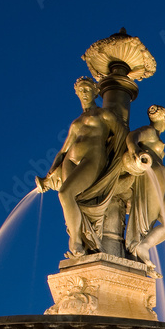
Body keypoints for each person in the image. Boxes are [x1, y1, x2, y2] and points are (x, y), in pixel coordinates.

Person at [37, 77, 127, 257]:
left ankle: (76, 241)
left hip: (93, 158)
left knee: (65, 193)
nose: (84, 93)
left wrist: (121, 162)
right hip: (70, 161)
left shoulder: (104, 114)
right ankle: (86, 243)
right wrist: (49, 175)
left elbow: (122, 135)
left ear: (95, 91)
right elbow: (63, 151)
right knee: (73, 201)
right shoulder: (76, 122)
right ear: (76, 93)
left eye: (87, 89)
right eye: (80, 90)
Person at [124, 105, 165, 269]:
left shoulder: (155, 134)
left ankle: (143, 246)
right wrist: (134, 150)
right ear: (164, 118)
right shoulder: (150, 131)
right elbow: (132, 136)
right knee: (149, 220)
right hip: (150, 177)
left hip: (158, 181)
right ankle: (136, 246)